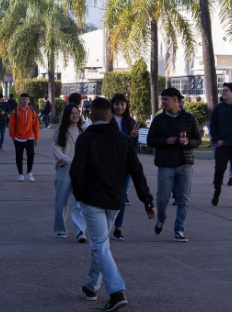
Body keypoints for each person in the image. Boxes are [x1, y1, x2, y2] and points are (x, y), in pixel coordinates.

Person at [70, 97, 156, 310]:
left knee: (100, 245)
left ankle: (117, 292)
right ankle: (91, 286)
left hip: (92, 200)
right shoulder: (123, 140)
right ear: (110, 116)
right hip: (115, 201)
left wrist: (79, 194)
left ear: (90, 116)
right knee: (102, 245)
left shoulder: (85, 138)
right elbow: (137, 172)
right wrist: (147, 200)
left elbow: (76, 171)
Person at [146, 87, 201, 242]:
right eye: (162, 99)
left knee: (183, 198)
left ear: (175, 100)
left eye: (165, 99)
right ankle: (161, 219)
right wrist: (165, 141)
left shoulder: (189, 118)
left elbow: (197, 139)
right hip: (165, 165)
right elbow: (150, 140)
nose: (162, 102)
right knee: (162, 199)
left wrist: (189, 142)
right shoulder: (159, 119)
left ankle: (179, 229)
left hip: (185, 165)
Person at [52, 103, 87, 242]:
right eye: (72, 113)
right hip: (64, 170)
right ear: (67, 115)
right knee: (61, 203)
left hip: (81, 171)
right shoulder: (61, 131)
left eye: (77, 112)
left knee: (79, 203)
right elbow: (56, 149)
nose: (75, 115)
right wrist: (67, 160)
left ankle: (80, 232)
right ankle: (60, 229)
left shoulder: (83, 131)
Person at [109, 94, 140, 241]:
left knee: (121, 197)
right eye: (116, 104)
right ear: (112, 105)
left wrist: (133, 137)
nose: (119, 107)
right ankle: (105, 225)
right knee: (106, 195)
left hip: (125, 166)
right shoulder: (107, 121)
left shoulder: (131, 122)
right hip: (108, 165)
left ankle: (117, 228)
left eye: (122, 104)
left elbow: (132, 148)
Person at [9, 94, 40, 182]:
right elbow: (11, 126)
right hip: (18, 138)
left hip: (29, 137)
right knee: (19, 156)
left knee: (31, 154)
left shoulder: (32, 112)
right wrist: (13, 138)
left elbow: (36, 126)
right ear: (20, 100)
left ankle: (29, 172)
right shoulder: (15, 112)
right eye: (23, 99)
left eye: (27, 99)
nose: (25, 101)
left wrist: (36, 138)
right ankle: (20, 174)